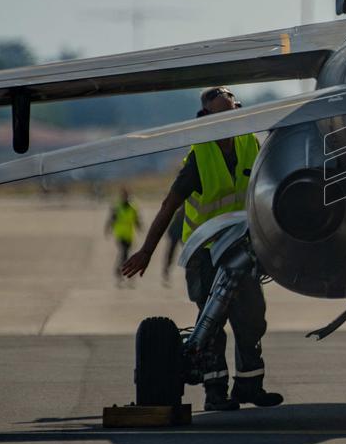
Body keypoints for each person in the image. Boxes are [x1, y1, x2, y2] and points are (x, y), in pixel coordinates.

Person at [121, 86, 283, 412]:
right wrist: (147, 251)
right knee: (212, 324)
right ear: (207, 118)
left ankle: (249, 387)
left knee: (251, 319)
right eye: (222, 112)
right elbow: (170, 204)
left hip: (242, 248)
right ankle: (215, 393)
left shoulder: (250, 143)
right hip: (205, 251)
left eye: (234, 109)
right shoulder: (201, 156)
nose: (231, 117)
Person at [106, 188, 141, 286]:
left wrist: (140, 227)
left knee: (125, 254)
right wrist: (108, 229)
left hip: (129, 234)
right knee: (124, 253)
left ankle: (119, 271)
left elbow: (137, 219)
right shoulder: (117, 207)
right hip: (120, 234)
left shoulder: (133, 207)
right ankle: (122, 273)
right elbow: (111, 219)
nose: (125, 197)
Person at [161, 207, 183, 287]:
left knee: (187, 255)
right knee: (171, 254)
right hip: (176, 233)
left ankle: (166, 271)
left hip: (182, 233)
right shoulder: (180, 210)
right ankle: (166, 271)